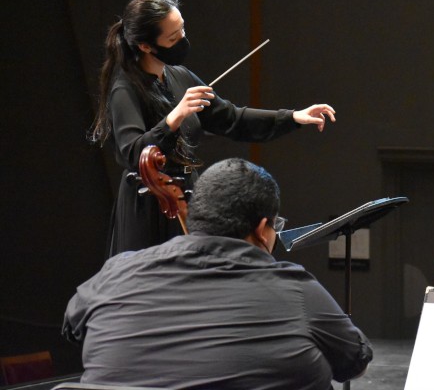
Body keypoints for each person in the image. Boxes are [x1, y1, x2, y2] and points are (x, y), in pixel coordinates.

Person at [62, 158, 373, 390]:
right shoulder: (296, 291)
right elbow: (354, 363)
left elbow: (74, 329)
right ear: (263, 229)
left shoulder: (116, 272)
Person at [89, 0, 336, 256]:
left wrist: (293, 117)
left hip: (184, 197)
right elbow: (133, 152)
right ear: (146, 46)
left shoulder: (179, 76)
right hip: (150, 207)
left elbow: (232, 119)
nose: (182, 40)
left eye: (182, 30)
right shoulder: (124, 89)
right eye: (173, 38)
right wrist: (175, 117)